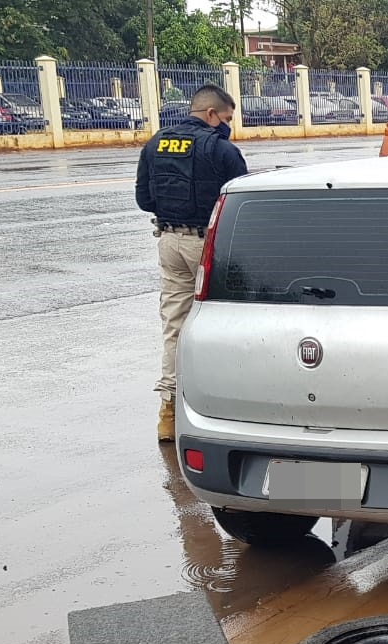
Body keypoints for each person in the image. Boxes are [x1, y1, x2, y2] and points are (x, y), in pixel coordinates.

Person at [136, 84, 247, 441]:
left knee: (174, 326)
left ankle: (168, 413)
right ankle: (230, 407)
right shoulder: (221, 149)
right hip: (208, 244)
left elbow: (144, 199)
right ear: (212, 114)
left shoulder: (155, 144)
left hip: (168, 241)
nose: (228, 126)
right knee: (231, 323)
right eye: (227, 118)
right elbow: (241, 202)